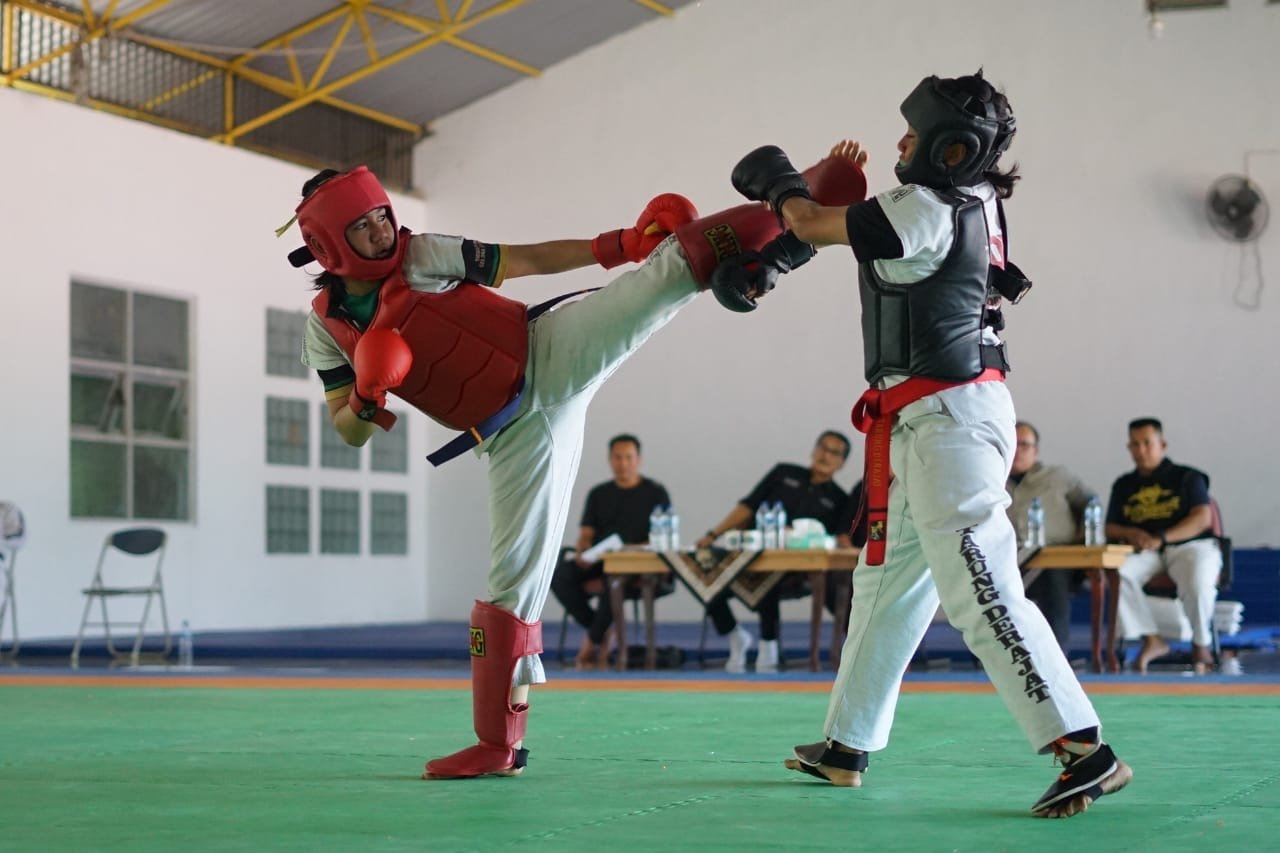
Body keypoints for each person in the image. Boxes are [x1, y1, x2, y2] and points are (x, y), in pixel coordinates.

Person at [288, 157, 868, 781]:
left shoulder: (420, 253)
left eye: (382, 214)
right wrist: (367, 398)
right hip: (511, 435)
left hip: (550, 349)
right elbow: (346, 433)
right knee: (510, 589)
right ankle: (496, 746)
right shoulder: (326, 331)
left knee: (665, 271)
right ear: (325, 243)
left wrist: (619, 245)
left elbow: (525, 260)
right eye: (362, 225)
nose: (380, 228)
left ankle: (794, 204)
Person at [718, 70, 1130, 817]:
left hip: (948, 421)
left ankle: (1082, 746)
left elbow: (814, 223)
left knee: (979, 583)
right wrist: (777, 256)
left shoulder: (929, 204)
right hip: (931, 418)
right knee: (886, 583)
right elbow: (854, 237)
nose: (899, 140)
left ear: (950, 148)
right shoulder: (975, 199)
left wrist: (781, 183)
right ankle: (847, 742)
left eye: (913, 131)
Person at [695, 431, 851, 672]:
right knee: (703, 571)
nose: (826, 455)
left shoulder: (840, 499)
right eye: (823, 448)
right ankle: (735, 635)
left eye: (834, 453)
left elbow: (831, 540)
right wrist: (714, 534)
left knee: (769, 573)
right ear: (813, 449)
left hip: (795, 571)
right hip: (749, 556)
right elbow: (748, 506)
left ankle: (769, 643)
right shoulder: (783, 473)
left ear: (841, 463)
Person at [1106, 417, 1221, 675]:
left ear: (1163, 443)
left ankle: (1201, 644)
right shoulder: (1124, 485)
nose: (1141, 450)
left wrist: (1163, 537)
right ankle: (1151, 638)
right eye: (1135, 444)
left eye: (1147, 443)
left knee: (1198, 580)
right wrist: (1130, 532)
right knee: (1116, 572)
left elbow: (1202, 518)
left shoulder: (1188, 477)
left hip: (1190, 546)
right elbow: (1110, 527)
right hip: (1146, 551)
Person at [550, 434, 672, 669]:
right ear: (609, 459)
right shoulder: (599, 493)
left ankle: (588, 646)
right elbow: (586, 533)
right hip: (600, 558)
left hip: (635, 563)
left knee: (613, 583)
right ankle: (602, 631)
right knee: (559, 576)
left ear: (638, 460)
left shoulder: (656, 493)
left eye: (628, 457)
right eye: (617, 457)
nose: (623, 463)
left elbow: (662, 535)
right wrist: (582, 550)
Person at [1006, 421, 1099, 649]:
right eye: (1013, 444)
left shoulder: (1057, 476)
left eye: (1024, 445)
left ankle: (1057, 655)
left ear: (1035, 451)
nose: (1018, 450)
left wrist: (1083, 536)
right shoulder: (992, 479)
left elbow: (1091, 503)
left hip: (1057, 559)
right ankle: (997, 657)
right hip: (1011, 559)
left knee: (1052, 576)